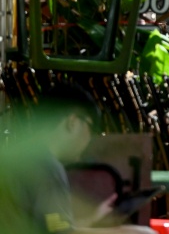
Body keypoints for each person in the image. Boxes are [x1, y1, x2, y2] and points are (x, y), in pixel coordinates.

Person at [0, 83, 156, 234]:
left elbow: (52, 227)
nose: (89, 139)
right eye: (91, 128)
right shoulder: (45, 165)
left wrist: (92, 218)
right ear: (73, 122)